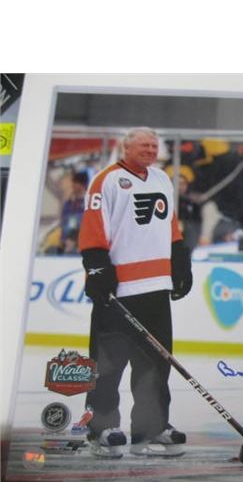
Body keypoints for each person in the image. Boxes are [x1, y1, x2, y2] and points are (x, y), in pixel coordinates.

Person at [78, 127, 193, 459]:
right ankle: (101, 427)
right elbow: (94, 226)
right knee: (107, 362)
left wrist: (180, 261)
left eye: (155, 145)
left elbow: (170, 224)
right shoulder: (106, 180)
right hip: (120, 290)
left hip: (156, 288)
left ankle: (151, 426)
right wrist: (97, 266)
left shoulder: (161, 179)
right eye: (144, 144)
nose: (151, 150)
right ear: (124, 147)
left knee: (156, 362)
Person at [58, 170, 88, 254]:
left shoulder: (88, 204)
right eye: (73, 183)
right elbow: (63, 222)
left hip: (80, 246)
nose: (73, 186)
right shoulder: (68, 204)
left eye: (75, 183)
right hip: (66, 244)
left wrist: (76, 240)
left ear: (82, 185)